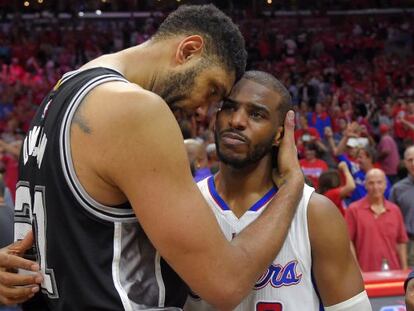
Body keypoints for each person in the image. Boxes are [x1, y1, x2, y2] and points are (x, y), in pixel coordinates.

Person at [0, 5, 305, 310]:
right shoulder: (136, 110)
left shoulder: (60, 92)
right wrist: (292, 185)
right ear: (188, 50)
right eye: (212, 90)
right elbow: (226, 283)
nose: (202, 110)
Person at [184, 71, 371, 310]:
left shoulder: (314, 213)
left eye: (256, 114)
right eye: (230, 108)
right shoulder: (187, 204)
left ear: (280, 134)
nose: (237, 121)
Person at [345, 168, 408, 272]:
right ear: (365, 185)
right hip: (365, 273)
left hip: (393, 272)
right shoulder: (353, 210)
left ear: (385, 184)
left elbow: (401, 242)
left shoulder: (395, 210)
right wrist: (357, 271)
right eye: (371, 183)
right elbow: (348, 242)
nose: (375, 187)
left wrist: (404, 269)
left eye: (379, 182)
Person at [390, 145, 414, 265]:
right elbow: (392, 222)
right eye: (410, 160)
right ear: (405, 163)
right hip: (409, 245)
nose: (413, 163)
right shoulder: (397, 189)